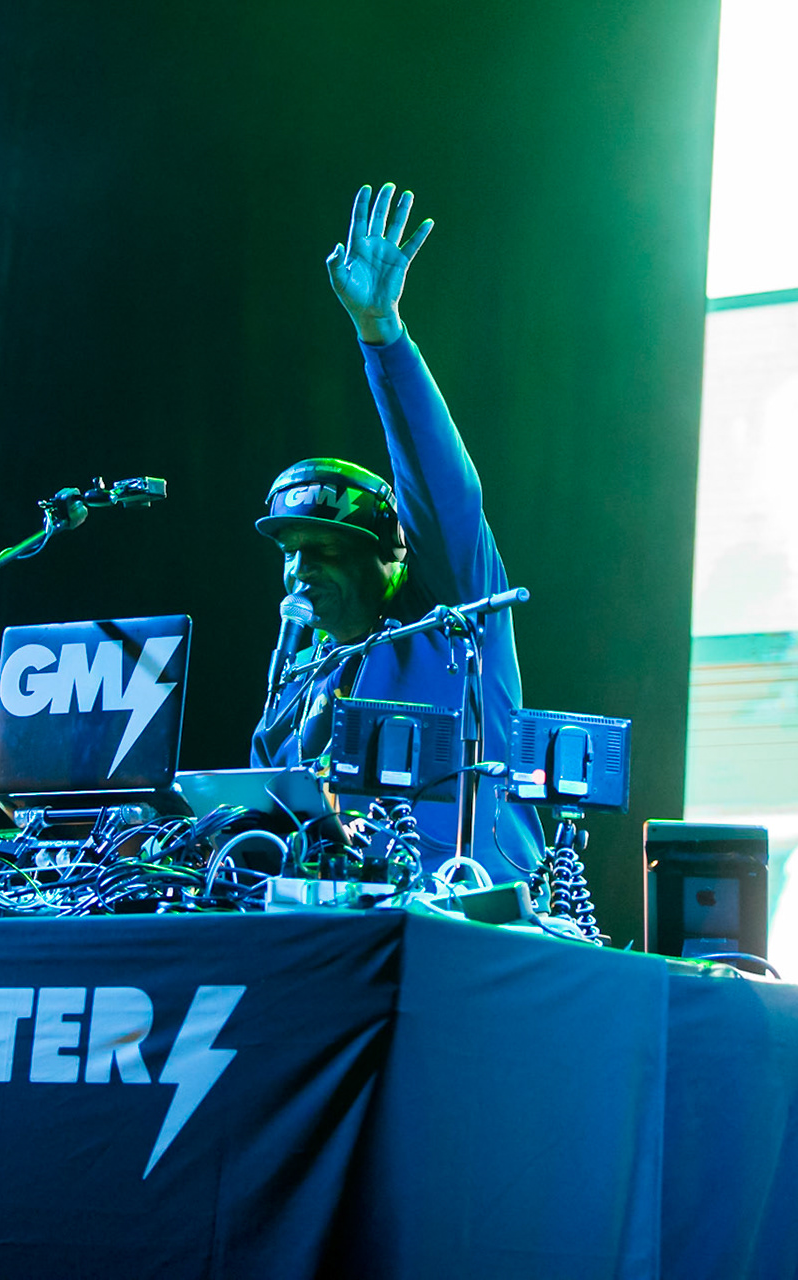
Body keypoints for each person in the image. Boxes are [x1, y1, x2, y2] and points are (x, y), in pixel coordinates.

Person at [250, 183, 543, 883]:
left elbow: (443, 488)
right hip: (339, 928)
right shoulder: (300, 672)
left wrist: (382, 334)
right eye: (291, 554)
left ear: (389, 556)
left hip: (474, 914)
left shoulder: (450, 610)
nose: (299, 571)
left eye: (323, 551)